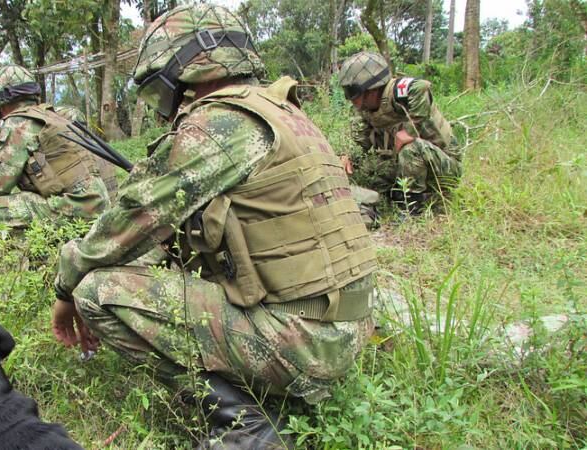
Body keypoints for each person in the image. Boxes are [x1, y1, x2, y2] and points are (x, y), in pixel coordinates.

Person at [51, 5, 378, 448]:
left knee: (98, 293)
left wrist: (64, 288)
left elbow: (123, 225)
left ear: (182, 70)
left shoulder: (218, 124)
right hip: (348, 325)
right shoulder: (282, 110)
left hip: (306, 342)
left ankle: (249, 422)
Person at [0, 65, 110, 235]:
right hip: (105, 206)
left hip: (79, 210)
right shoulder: (59, 115)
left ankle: (39, 256)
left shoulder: (17, 124)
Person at [338, 51, 463, 213]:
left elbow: (421, 86)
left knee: (411, 149)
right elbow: (361, 142)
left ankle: (412, 209)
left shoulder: (396, 91)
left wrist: (411, 131)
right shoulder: (367, 110)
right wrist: (347, 156)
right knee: (368, 166)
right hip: (410, 166)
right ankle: (394, 197)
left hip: (444, 165)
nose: (350, 99)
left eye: (352, 93)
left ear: (371, 89)